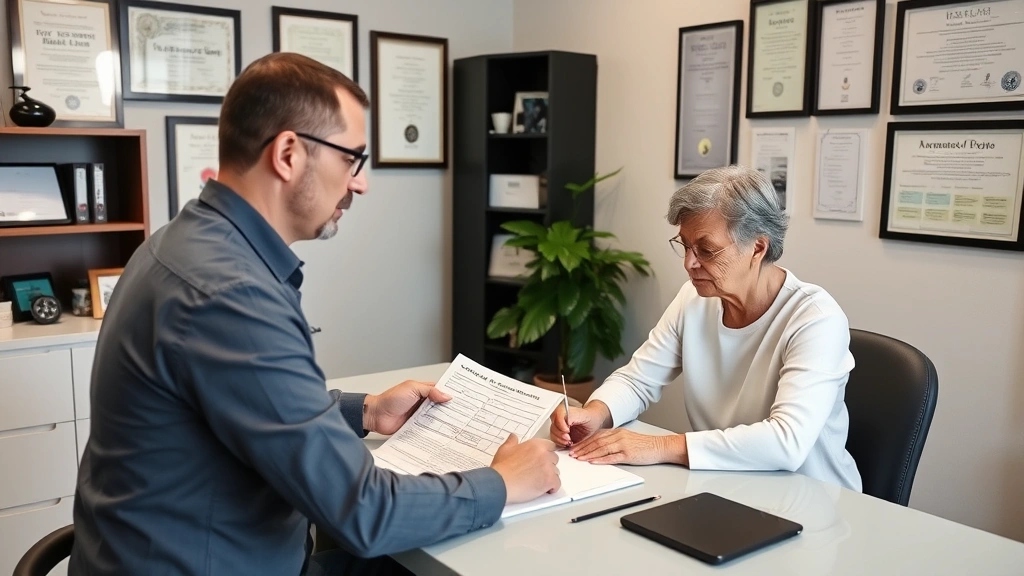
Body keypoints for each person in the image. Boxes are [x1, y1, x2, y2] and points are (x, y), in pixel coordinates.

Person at [70, 53, 561, 576]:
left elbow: (239, 399)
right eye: (352, 158)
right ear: (287, 154)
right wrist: (504, 481)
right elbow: (365, 513)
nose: (360, 182)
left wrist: (366, 411)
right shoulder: (231, 294)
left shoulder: (184, 243)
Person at [550, 165, 862, 491]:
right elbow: (638, 380)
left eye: (706, 250)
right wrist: (596, 413)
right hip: (728, 487)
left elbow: (787, 441)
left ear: (757, 248)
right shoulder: (695, 299)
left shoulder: (815, 319)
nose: (689, 263)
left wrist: (657, 446)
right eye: (684, 245)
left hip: (815, 500)